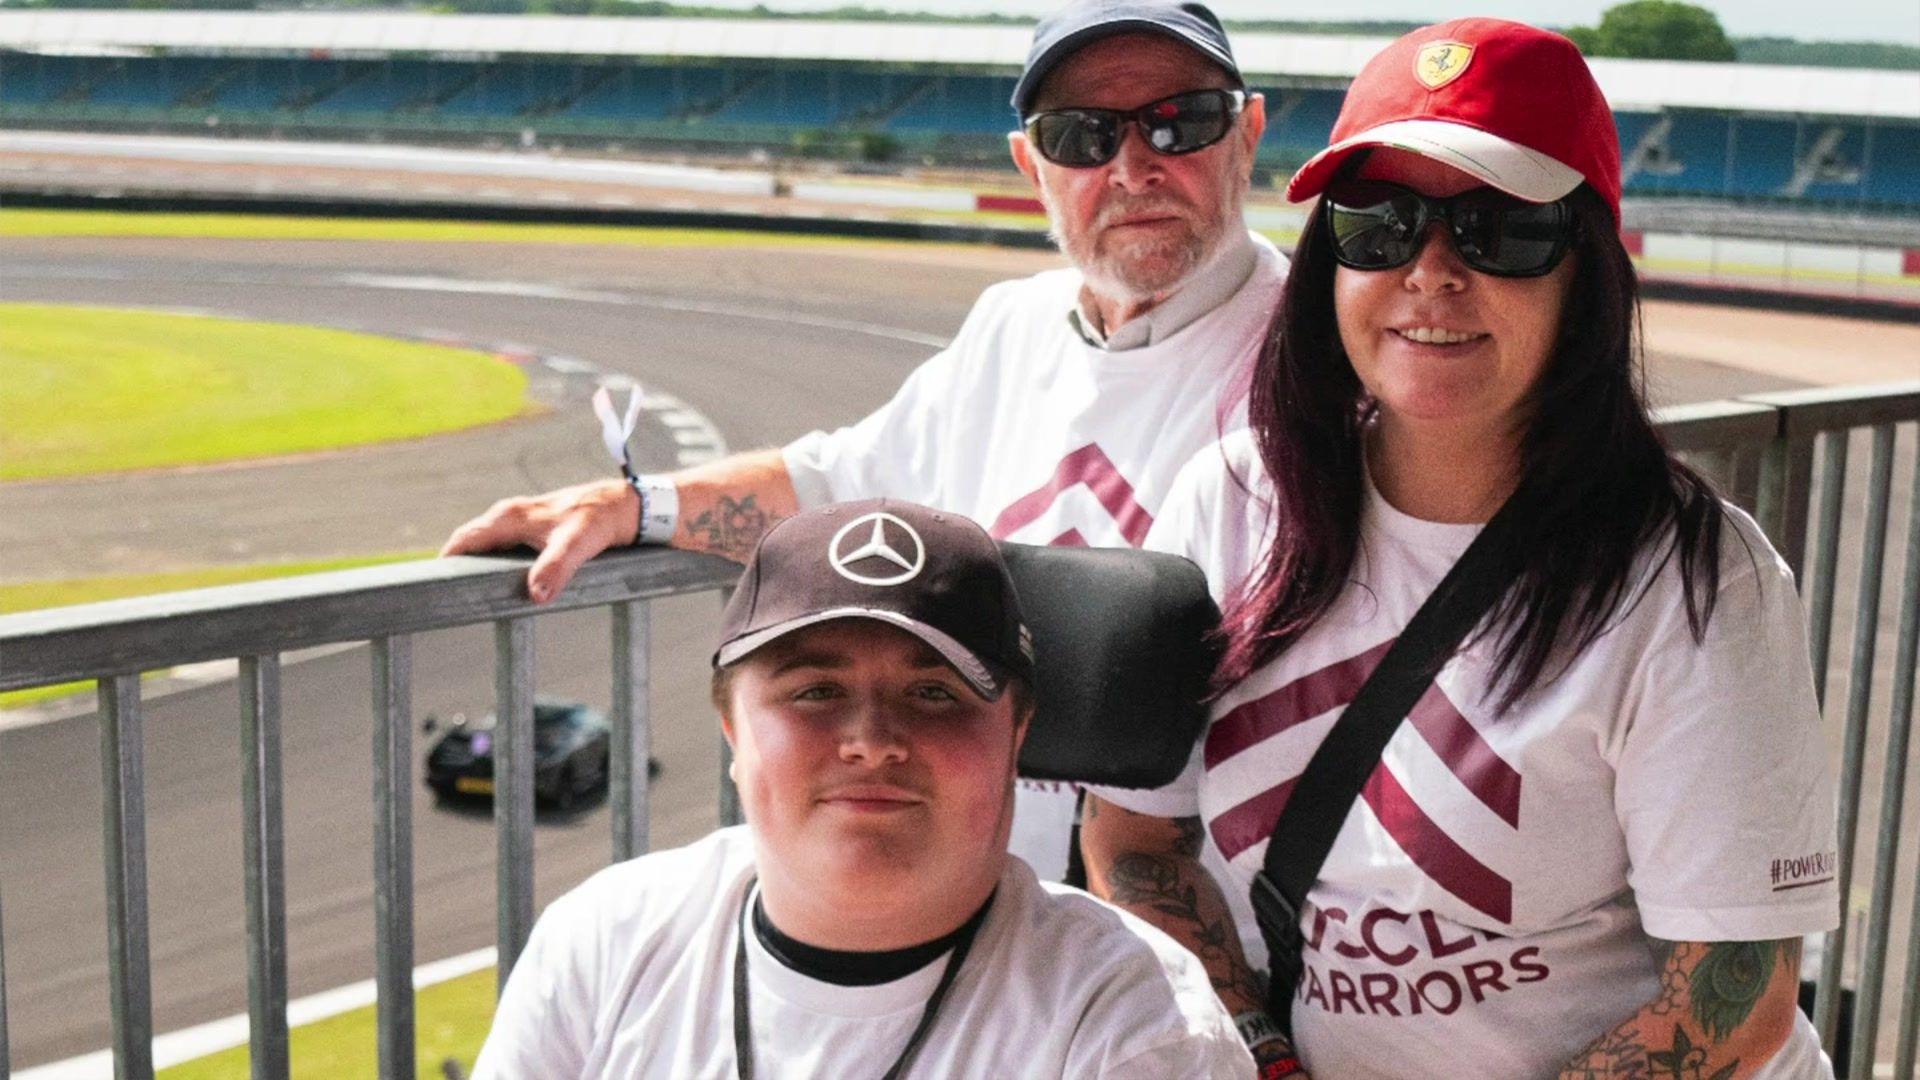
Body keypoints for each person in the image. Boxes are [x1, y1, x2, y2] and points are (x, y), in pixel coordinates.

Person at [1081, 19, 1841, 1079]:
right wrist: (1263, 1052)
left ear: (1586, 273)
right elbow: (1135, 841)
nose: (1431, 273)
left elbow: (1736, 989)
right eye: (1378, 224)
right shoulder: (1232, 501)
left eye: (1501, 229)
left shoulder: (1696, 581)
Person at [439, 0, 1284, 887]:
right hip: (982, 919)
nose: (1134, 165)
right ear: (1031, 166)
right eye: (1081, 135)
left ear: (1247, 132)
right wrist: (634, 503)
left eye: (1180, 122)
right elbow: (835, 487)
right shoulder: (1012, 326)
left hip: (1203, 936)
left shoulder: (1327, 349)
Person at [471, 499, 1256, 1079]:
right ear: (733, 734)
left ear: (1017, 735)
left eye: (936, 694)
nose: (873, 742)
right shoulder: (603, 945)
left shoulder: (1131, 1019)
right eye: (814, 692)